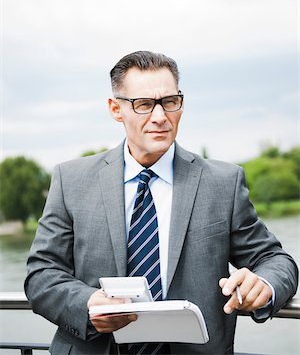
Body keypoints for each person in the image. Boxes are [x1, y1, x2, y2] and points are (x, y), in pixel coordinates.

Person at [25, 51, 298, 355]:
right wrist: (87, 304)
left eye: (169, 102)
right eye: (143, 104)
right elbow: (41, 274)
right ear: (116, 109)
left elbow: (276, 260)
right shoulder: (71, 180)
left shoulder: (224, 183)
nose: (160, 117)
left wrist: (264, 283)